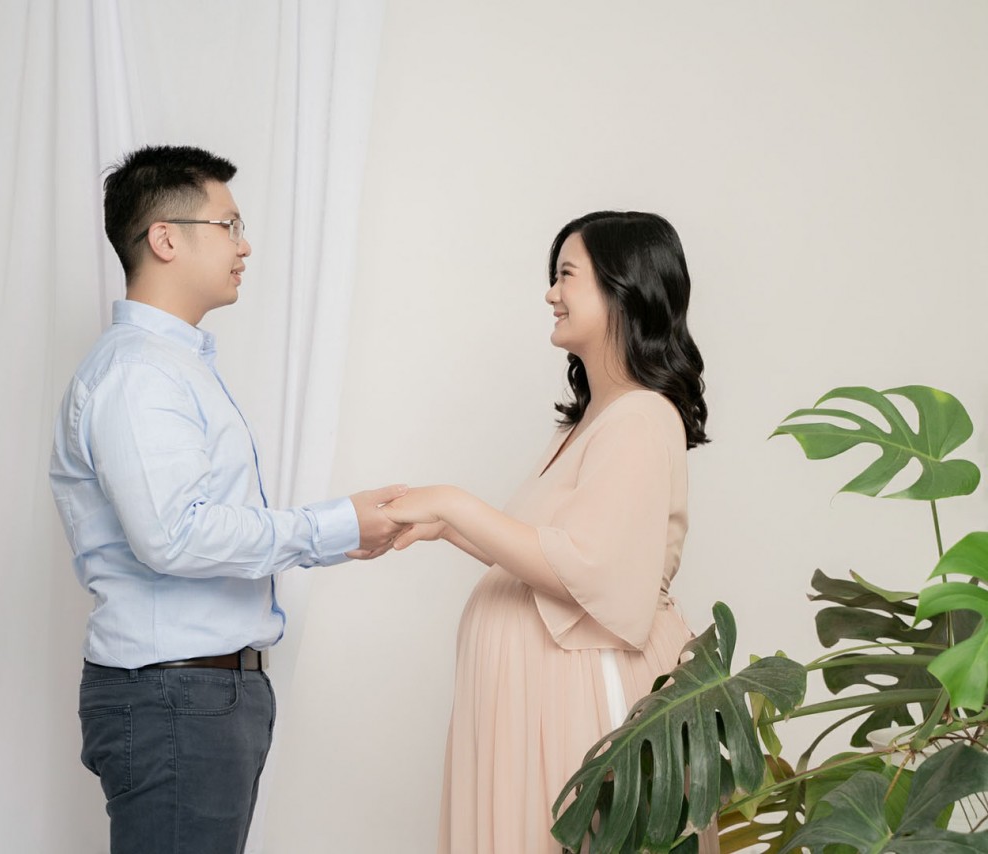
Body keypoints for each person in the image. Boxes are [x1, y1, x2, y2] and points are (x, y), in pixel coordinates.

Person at [48, 144, 408, 854]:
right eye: (229, 225)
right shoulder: (141, 374)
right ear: (165, 238)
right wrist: (332, 526)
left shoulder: (171, 366)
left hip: (196, 697)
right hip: (176, 700)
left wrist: (342, 531)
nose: (245, 246)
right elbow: (173, 537)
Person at [381, 211, 717, 853]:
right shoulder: (591, 421)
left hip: (591, 692)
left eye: (566, 275)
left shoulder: (641, 417)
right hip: (543, 699)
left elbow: (594, 570)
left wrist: (453, 502)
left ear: (623, 288)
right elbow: (543, 551)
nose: (550, 293)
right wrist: (445, 526)